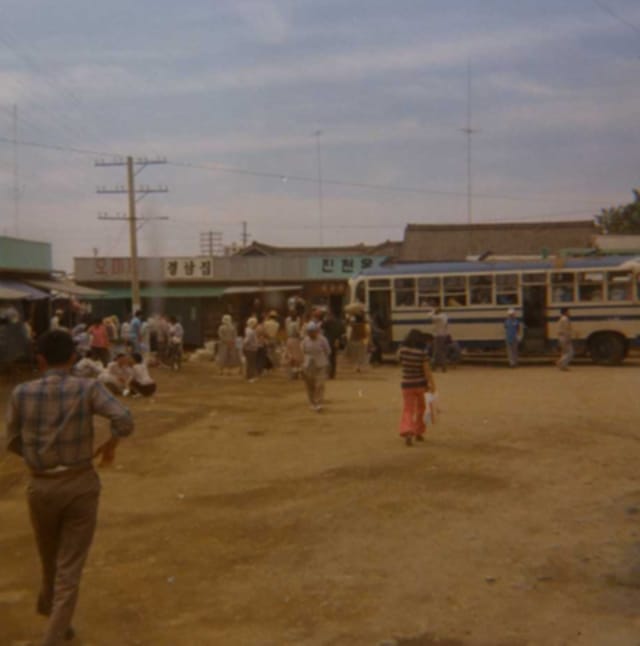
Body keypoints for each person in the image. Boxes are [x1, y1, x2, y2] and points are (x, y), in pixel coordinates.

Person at [4, 329, 133, 646]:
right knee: (69, 568)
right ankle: (53, 635)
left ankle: (54, 614)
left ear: (40, 359)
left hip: (41, 486)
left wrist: (36, 456)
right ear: (73, 358)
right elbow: (124, 419)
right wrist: (111, 443)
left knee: (50, 557)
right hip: (79, 484)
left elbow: (12, 440)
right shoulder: (87, 388)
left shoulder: (21, 393)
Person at [398, 329, 436, 447]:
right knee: (422, 409)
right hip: (421, 385)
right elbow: (427, 371)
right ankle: (419, 431)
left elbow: (399, 361)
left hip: (407, 384)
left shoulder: (402, 351)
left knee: (408, 409)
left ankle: (407, 430)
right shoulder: (422, 353)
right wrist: (432, 384)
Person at [301, 321, 331, 412]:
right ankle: (312, 402)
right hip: (308, 365)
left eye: (312, 331)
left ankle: (319, 403)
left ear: (316, 331)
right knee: (310, 385)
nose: (311, 333)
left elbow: (328, 351)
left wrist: (325, 360)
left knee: (320, 384)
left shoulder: (323, 339)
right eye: (309, 332)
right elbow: (303, 352)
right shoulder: (305, 340)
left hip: (321, 364)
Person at [322, 311, 345, 379]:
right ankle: (331, 373)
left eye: (329, 316)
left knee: (330, 358)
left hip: (329, 342)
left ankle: (330, 373)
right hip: (332, 342)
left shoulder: (327, 322)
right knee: (331, 358)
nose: (329, 317)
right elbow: (343, 332)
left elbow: (322, 327)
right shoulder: (339, 323)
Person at [427, 307, 449, 372]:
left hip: (438, 336)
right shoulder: (444, 316)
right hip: (443, 335)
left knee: (437, 351)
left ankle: (437, 366)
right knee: (440, 351)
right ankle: (440, 366)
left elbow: (429, 315)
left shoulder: (439, 317)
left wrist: (433, 311)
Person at [284, 312, 303, 379]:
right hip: (295, 340)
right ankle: (296, 372)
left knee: (290, 355)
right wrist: (301, 337)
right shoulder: (296, 324)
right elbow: (298, 333)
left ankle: (293, 372)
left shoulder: (288, 324)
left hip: (289, 339)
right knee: (296, 356)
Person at [243, 317, 259, 382]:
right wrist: (245, 345)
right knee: (251, 363)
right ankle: (250, 377)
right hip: (250, 349)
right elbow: (247, 340)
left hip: (251, 348)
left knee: (251, 363)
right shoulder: (250, 331)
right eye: (255, 324)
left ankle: (249, 376)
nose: (256, 325)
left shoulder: (250, 330)